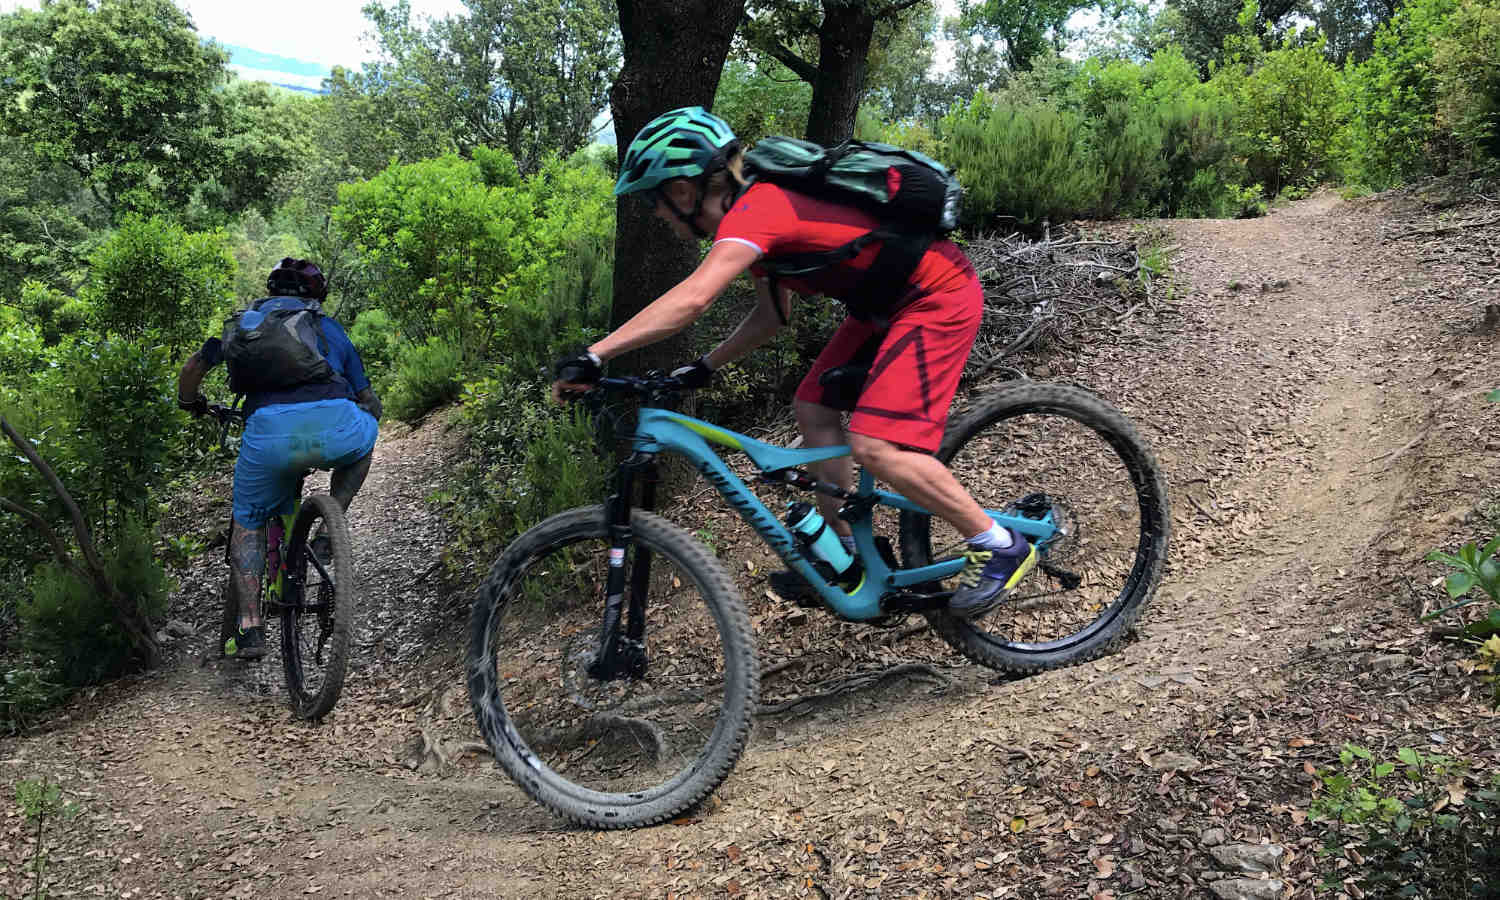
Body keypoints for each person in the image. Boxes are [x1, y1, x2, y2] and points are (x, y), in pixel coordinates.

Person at [551, 107, 1035, 617]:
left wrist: (594, 354)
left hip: (935, 294)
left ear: (685, 189)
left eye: (656, 198)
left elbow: (695, 298)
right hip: (884, 306)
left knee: (875, 443)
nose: (657, 213)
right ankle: (848, 554)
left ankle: (1000, 545)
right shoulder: (756, 222)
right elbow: (770, 317)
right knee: (812, 404)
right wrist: (705, 366)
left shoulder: (759, 208)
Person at [177, 258, 382, 659]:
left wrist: (190, 403)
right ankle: (328, 529)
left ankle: (251, 627)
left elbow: (193, 367)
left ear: (271, 291)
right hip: (335, 426)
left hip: (267, 435)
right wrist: (366, 415)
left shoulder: (246, 325)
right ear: (316, 296)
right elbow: (367, 399)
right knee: (366, 436)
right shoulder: (328, 328)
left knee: (249, 518)